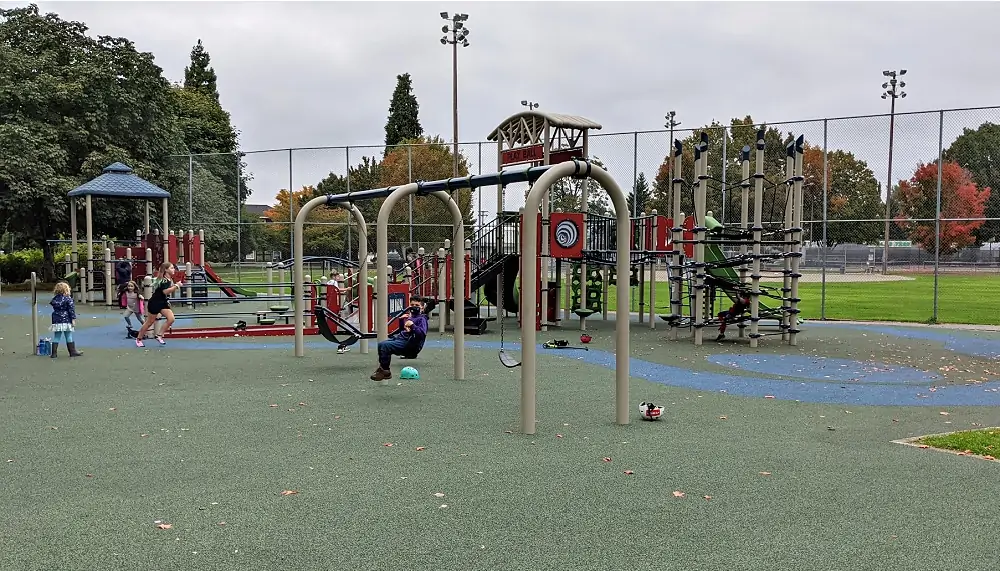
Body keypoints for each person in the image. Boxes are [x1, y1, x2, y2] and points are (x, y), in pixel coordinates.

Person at [371, 298, 428, 381]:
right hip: (401, 340)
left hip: (411, 345)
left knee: (385, 346)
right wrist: (402, 321)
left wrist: (413, 326)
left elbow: (422, 334)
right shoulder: (410, 317)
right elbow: (403, 331)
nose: (414, 307)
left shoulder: (422, 319)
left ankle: (385, 371)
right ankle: (383, 369)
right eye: (412, 305)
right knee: (381, 344)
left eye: (417, 305)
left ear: (422, 307)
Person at [136, 262, 182, 347]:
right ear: (166, 270)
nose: (174, 270)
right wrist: (176, 286)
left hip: (162, 302)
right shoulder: (163, 280)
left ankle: (159, 335)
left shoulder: (169, 279)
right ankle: (139, 339)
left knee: (171, 319)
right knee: (149, 322)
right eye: (171, 268)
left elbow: (163, 293)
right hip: (155, 303)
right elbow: (165, 291)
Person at [49, 281, 83, 358]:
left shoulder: (55, 299)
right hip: (66, 319)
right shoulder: (68, 299)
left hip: (56, 319)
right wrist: (73, 319)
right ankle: (72, 351)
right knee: (68, 335)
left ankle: (54, 353)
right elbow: (71, 310)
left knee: (57, 336)